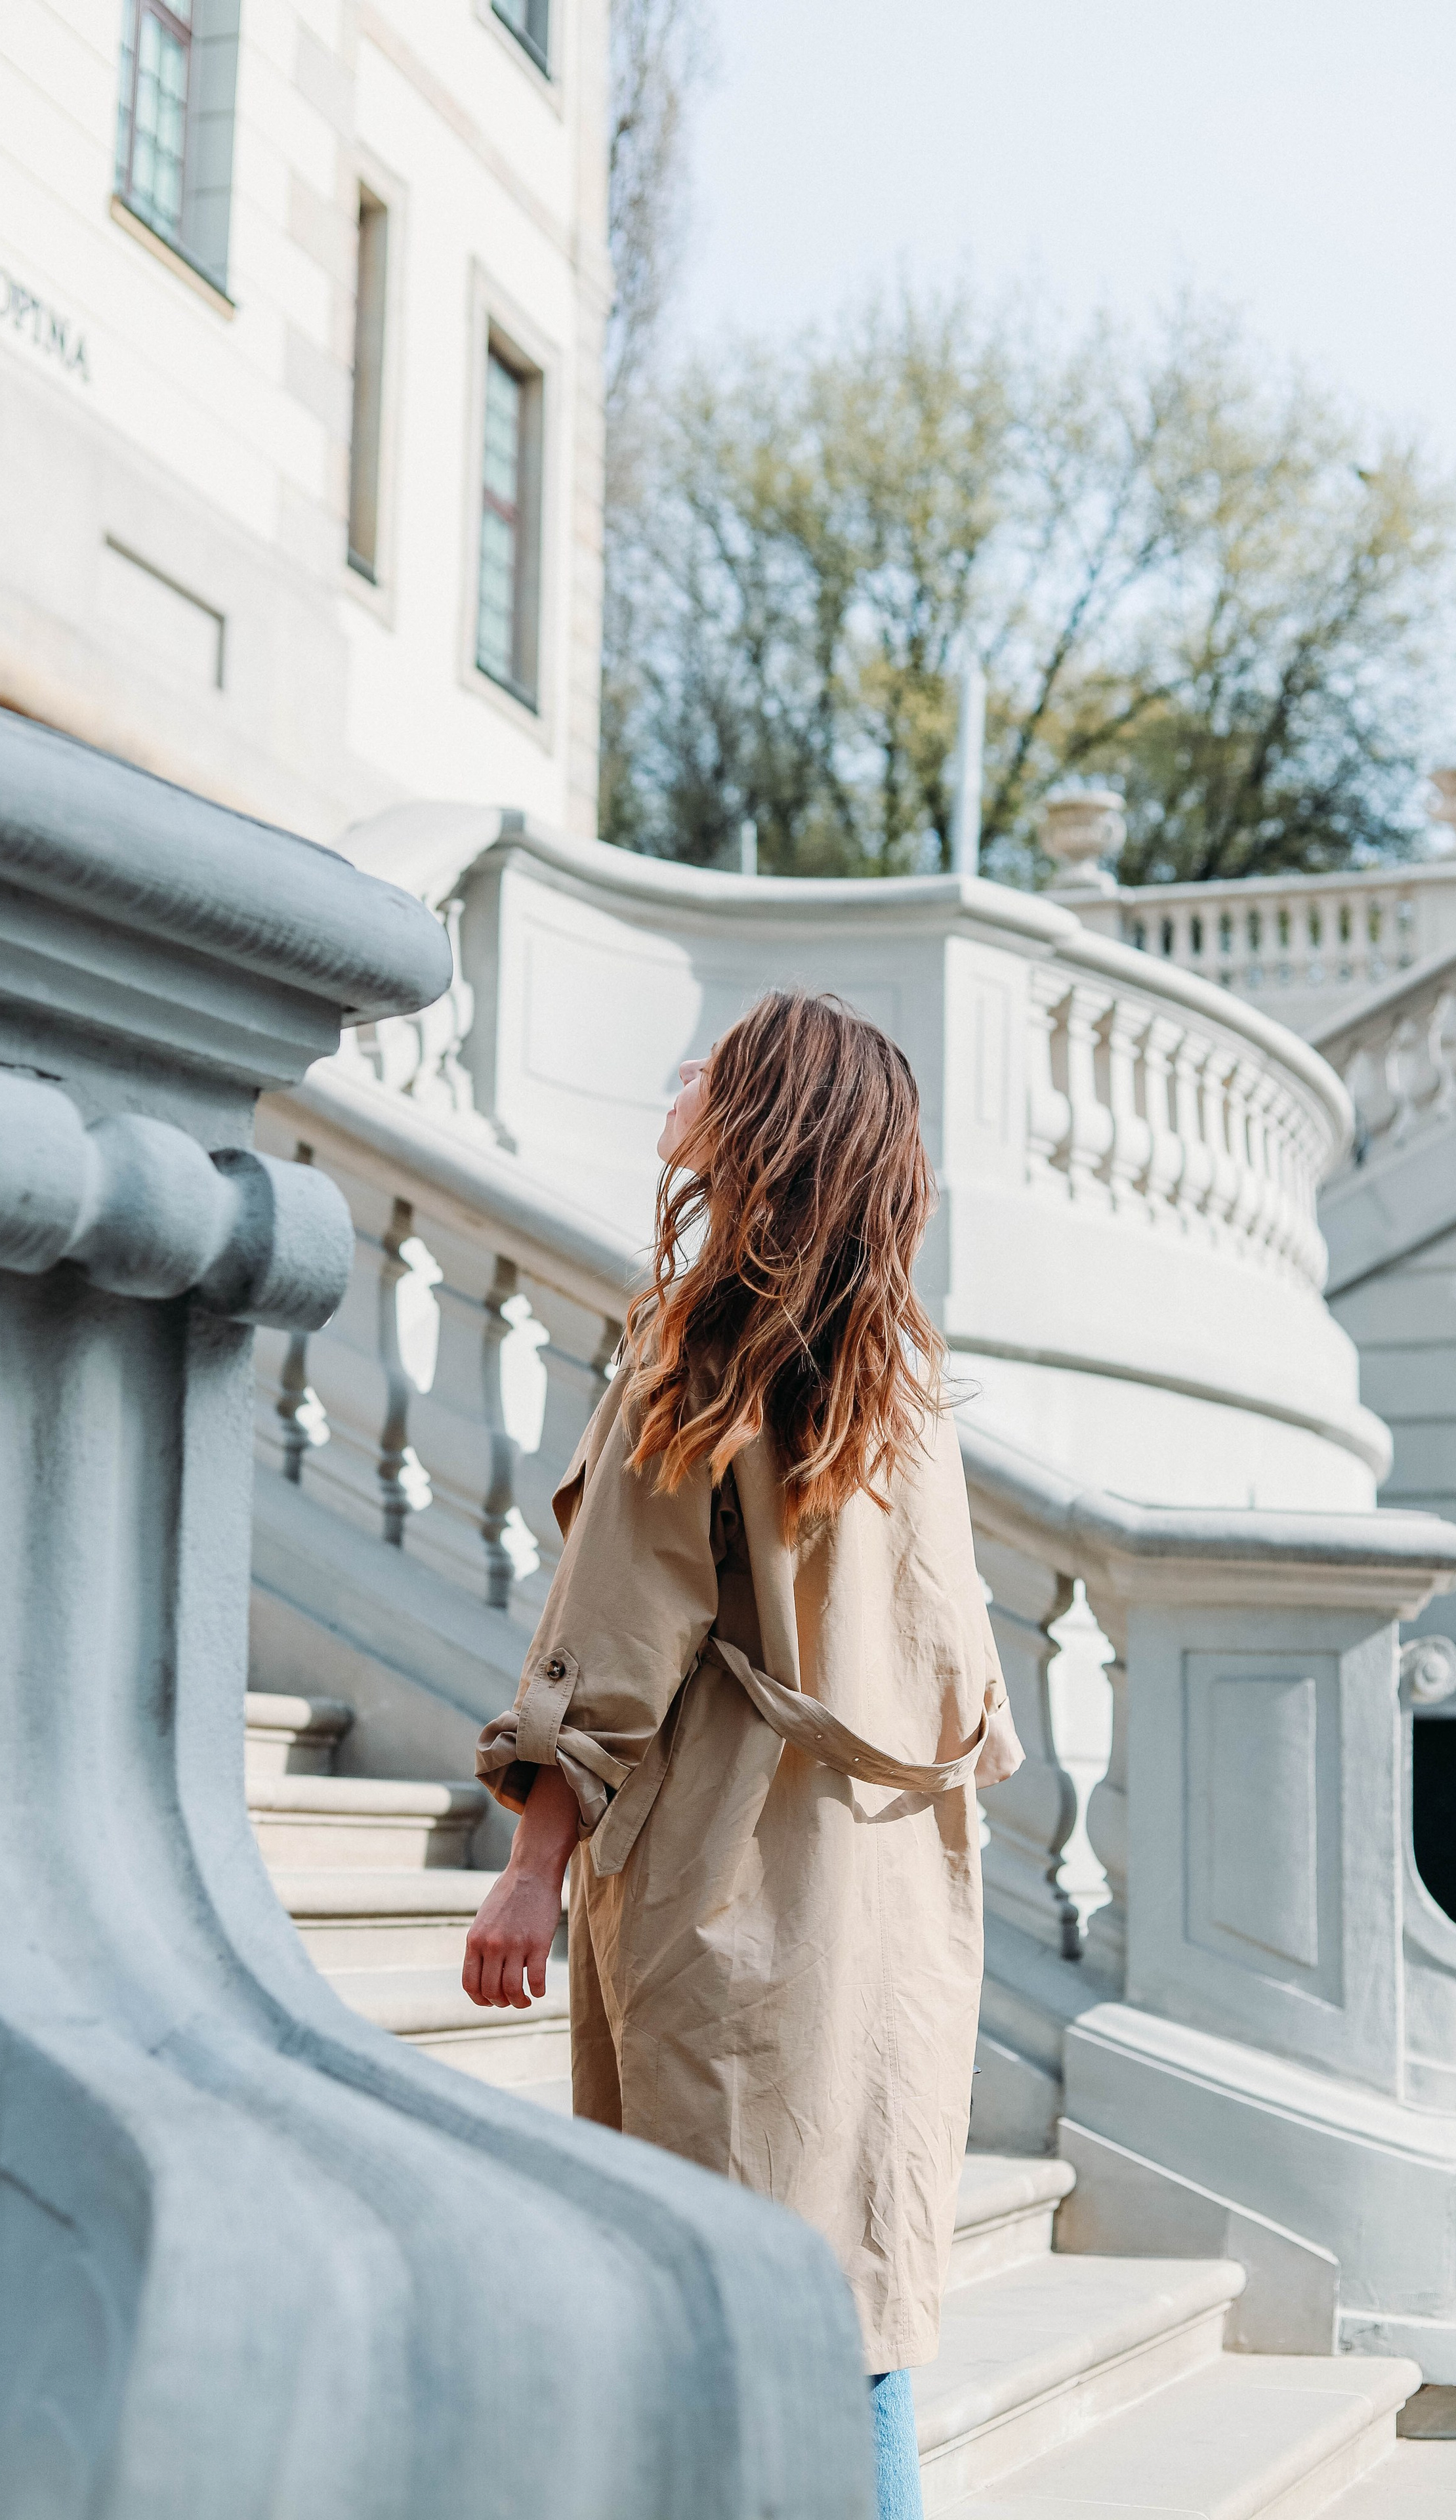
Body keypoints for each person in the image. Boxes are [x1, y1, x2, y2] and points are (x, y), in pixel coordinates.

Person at [463, 990, 1024, 2519]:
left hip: (731, 1894)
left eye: (716, 1062)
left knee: (719, 2320)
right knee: (847, 2324)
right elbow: (959, 1681)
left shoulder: (699, 1348)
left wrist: (528, 1868)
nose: (686, 1071)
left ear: (768, 1119)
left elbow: (611, 1643)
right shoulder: (900, 1376)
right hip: (885, 1911)